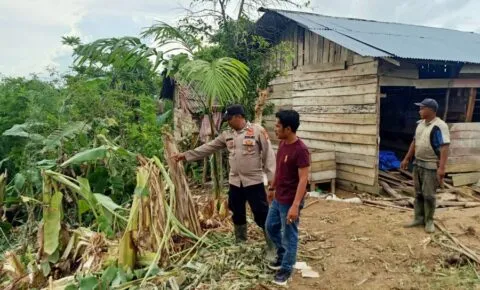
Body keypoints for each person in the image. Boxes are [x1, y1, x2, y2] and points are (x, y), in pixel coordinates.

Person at [171, 104, 276, 252]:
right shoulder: (227, 135)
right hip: (235, 183)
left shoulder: (257, 131)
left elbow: (269, 156)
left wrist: (272, 182)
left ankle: (272, 247)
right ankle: (241, 242)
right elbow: (209, 147)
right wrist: (186, 155)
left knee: (261, 213)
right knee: (237, 212)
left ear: (239, 117)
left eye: (230, 119)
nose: (228, 122)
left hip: (253, 182)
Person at [265, 110, 310, 286]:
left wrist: (295, 205)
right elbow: (279, 169)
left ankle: (286, 268)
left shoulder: (301, 150)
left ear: (288, 128)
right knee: (270, 227)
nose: (275, 129)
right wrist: (272, 187)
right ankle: (283, 255)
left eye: (278, 125)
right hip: (279, 197)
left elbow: (303, 179)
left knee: (290, 236)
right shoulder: (283, 144)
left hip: (291, 201)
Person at [401, 98, 450, 233]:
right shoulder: (420, 124)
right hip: (418, 163)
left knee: (429, 195)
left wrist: (442, 168)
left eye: (422, 108)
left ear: (431, 110)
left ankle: (429, 220)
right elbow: (414, 141)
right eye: (420, 108)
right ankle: (418, 218)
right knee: (418, 193)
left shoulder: (440, 126)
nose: (419, 110)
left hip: (431, 164)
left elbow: (444, 147)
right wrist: (407, 158)